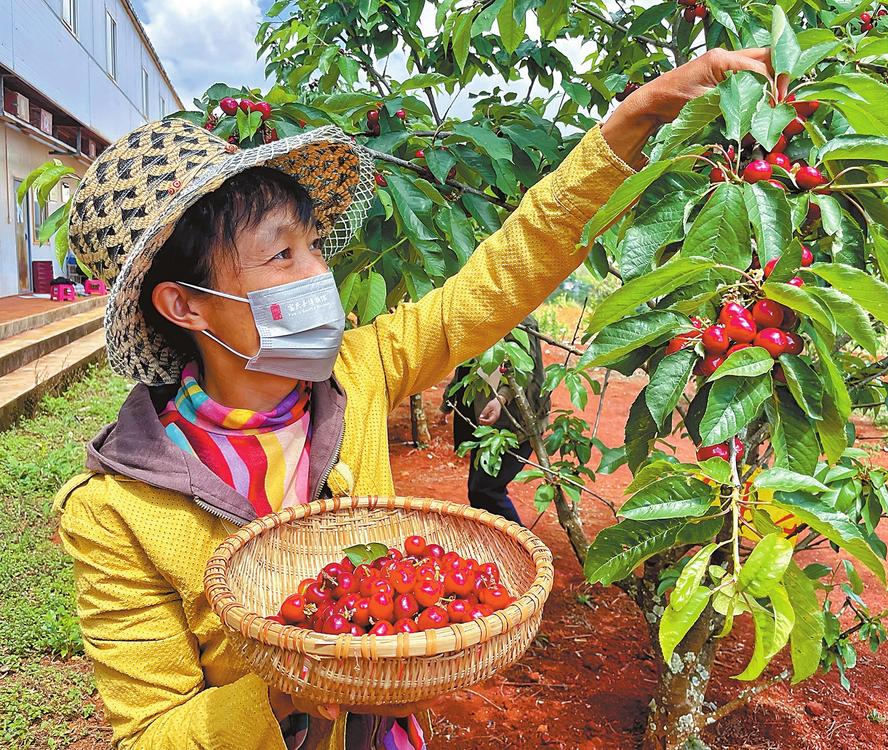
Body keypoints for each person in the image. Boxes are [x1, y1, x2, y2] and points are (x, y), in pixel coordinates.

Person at [51, 48, 780, 750]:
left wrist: (637, 115)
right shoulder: (117, 514)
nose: (318, 274)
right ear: (185, 305)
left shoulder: (358, 372)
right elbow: (152, 733)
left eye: (313, 246)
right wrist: (289, 690)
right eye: (281, 255)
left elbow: (507, 269)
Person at [445, 315, 549, 526]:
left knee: (486, 490)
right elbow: (467, 365)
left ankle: (519, 542)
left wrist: (501, 398)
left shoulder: (521, 320)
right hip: (486, 420)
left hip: (516, 421)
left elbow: (523, 371)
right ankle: (493, 540)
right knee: (478, 492)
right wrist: (450, 397)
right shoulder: (478, 315)